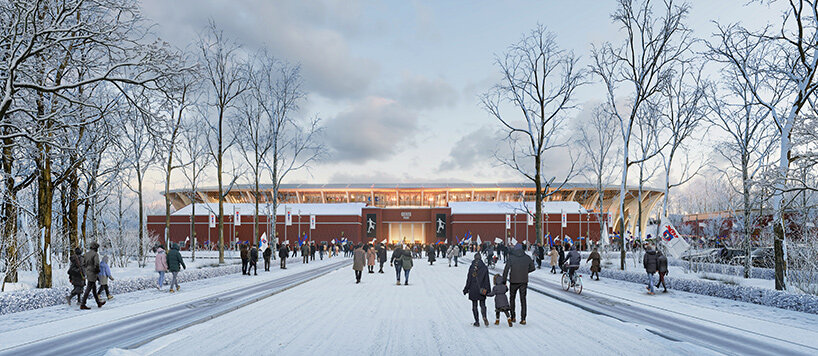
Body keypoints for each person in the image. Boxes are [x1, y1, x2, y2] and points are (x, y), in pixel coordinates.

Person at [502, 243, 535, 324]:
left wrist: (504, 281)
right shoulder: (527, 257)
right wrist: (525, 272)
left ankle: (513, 317)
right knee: (523, 299)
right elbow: (533, 268)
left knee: (512, 299)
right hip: (523, 281)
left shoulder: (511, 258)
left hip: (513, 281)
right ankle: (523, 318)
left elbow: (506, 270)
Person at [463, 253, 490, 327]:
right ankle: (484, 316)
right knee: (483, 304)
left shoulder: (472, 267)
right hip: (482, 289)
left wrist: (466, 289)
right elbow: (487, 280)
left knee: (474, 305)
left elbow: (469, 279)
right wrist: (488, 290)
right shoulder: (484, 267)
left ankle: (477, 321)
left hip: (473, 288)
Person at [80, 242, 105, 310]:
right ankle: (83, 304)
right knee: (88, 288)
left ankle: (98, 303)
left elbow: (83, 263)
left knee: (93, 288)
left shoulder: (86, 254)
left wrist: (86, 269)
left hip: (88, 272)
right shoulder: (95, 254)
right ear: (95, 248)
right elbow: (96, 264)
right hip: (93, 273)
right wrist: (97, 271)